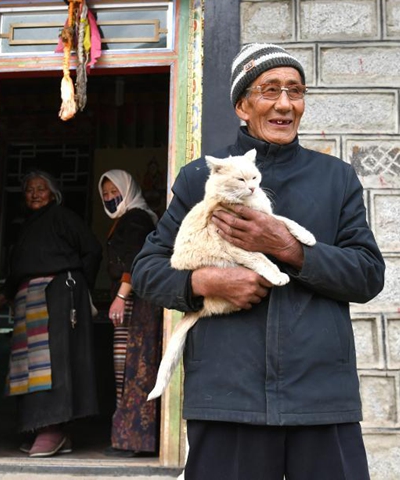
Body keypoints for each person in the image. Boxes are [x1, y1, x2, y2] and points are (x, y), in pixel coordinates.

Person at [131, 43, 385, 479]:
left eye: (295, 91)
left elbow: (367, 275)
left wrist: (291, 249)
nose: (285, 104)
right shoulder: (200, 179)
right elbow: (147, 271)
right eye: (269, 90)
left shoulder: (335, 178)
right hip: (227, 397)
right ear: (241, 106)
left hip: (320, 398)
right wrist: (206, 282)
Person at [0, 170, 102, 458]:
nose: (35, 194)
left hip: (59, 295)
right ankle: (37, 426)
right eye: (29, 189)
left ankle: (55, 428)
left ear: (53, 193)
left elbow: (92, 250)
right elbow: (18, 267)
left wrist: (79, 288)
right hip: (29, 299)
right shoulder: (26, 227)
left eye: (41, 188)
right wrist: (6, 292)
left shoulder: (63, 218)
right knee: (30, 365)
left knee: (55, 361)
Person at [98, 170, 162, 457]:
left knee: (131, 369)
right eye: (106, 195)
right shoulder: (130, 217)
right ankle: (128, 437)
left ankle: (132, 439)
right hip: (134, 302)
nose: (111, 198)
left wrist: (121, 296)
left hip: (137, 303)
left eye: (115, 191)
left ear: (129, 188)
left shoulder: (135, 219)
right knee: (128, 368)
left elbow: (136, 258)